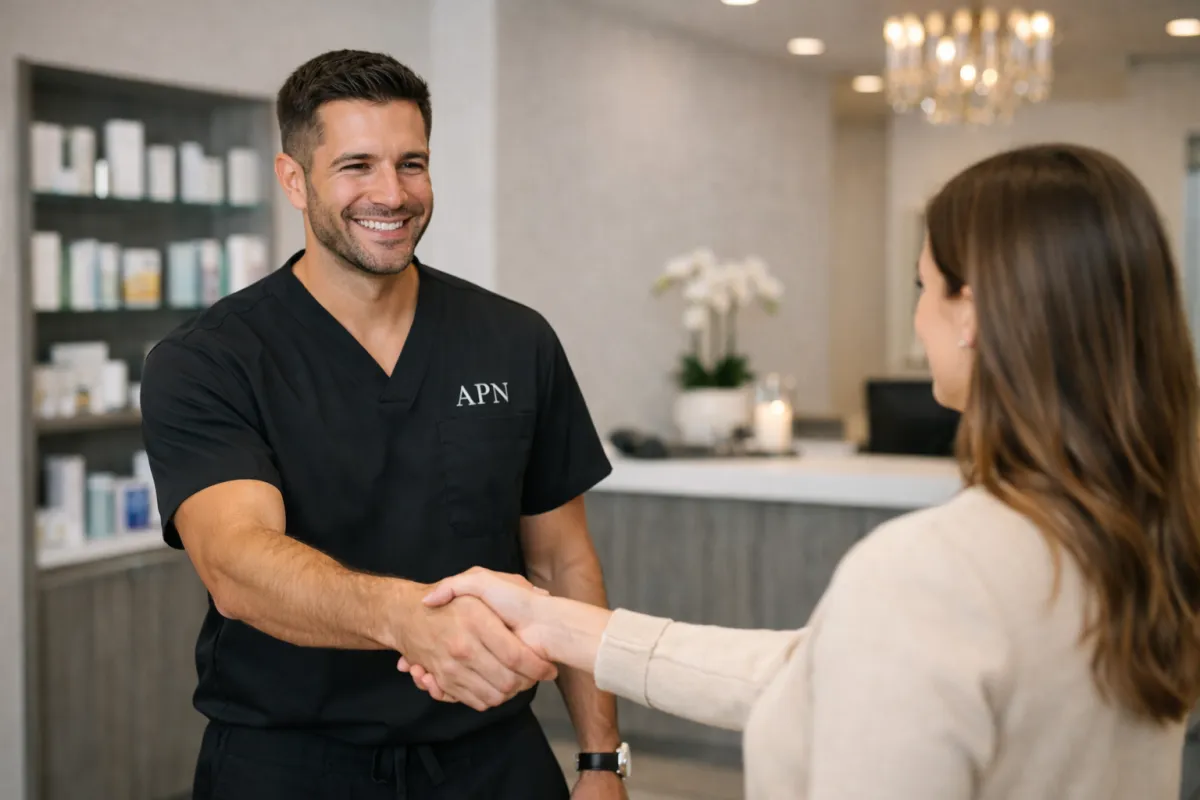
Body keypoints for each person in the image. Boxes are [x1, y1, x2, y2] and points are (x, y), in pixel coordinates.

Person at [400, 143, 1200, 799]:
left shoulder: (929, 573)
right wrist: (551, 620)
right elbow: (821, 673)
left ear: (975, 314)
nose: (919, 317)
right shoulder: (1138, 536)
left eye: (924, 288)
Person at [139, 49, 630, 800]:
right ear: (294, 179)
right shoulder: (210, 359)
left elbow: (563, 563)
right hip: (288, 765)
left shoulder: (514, 338)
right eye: (357, 165)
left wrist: (601, 759)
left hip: (493, 759)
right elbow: (236, 564)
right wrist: (406, 618)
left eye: (412, 164)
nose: (391, 193)